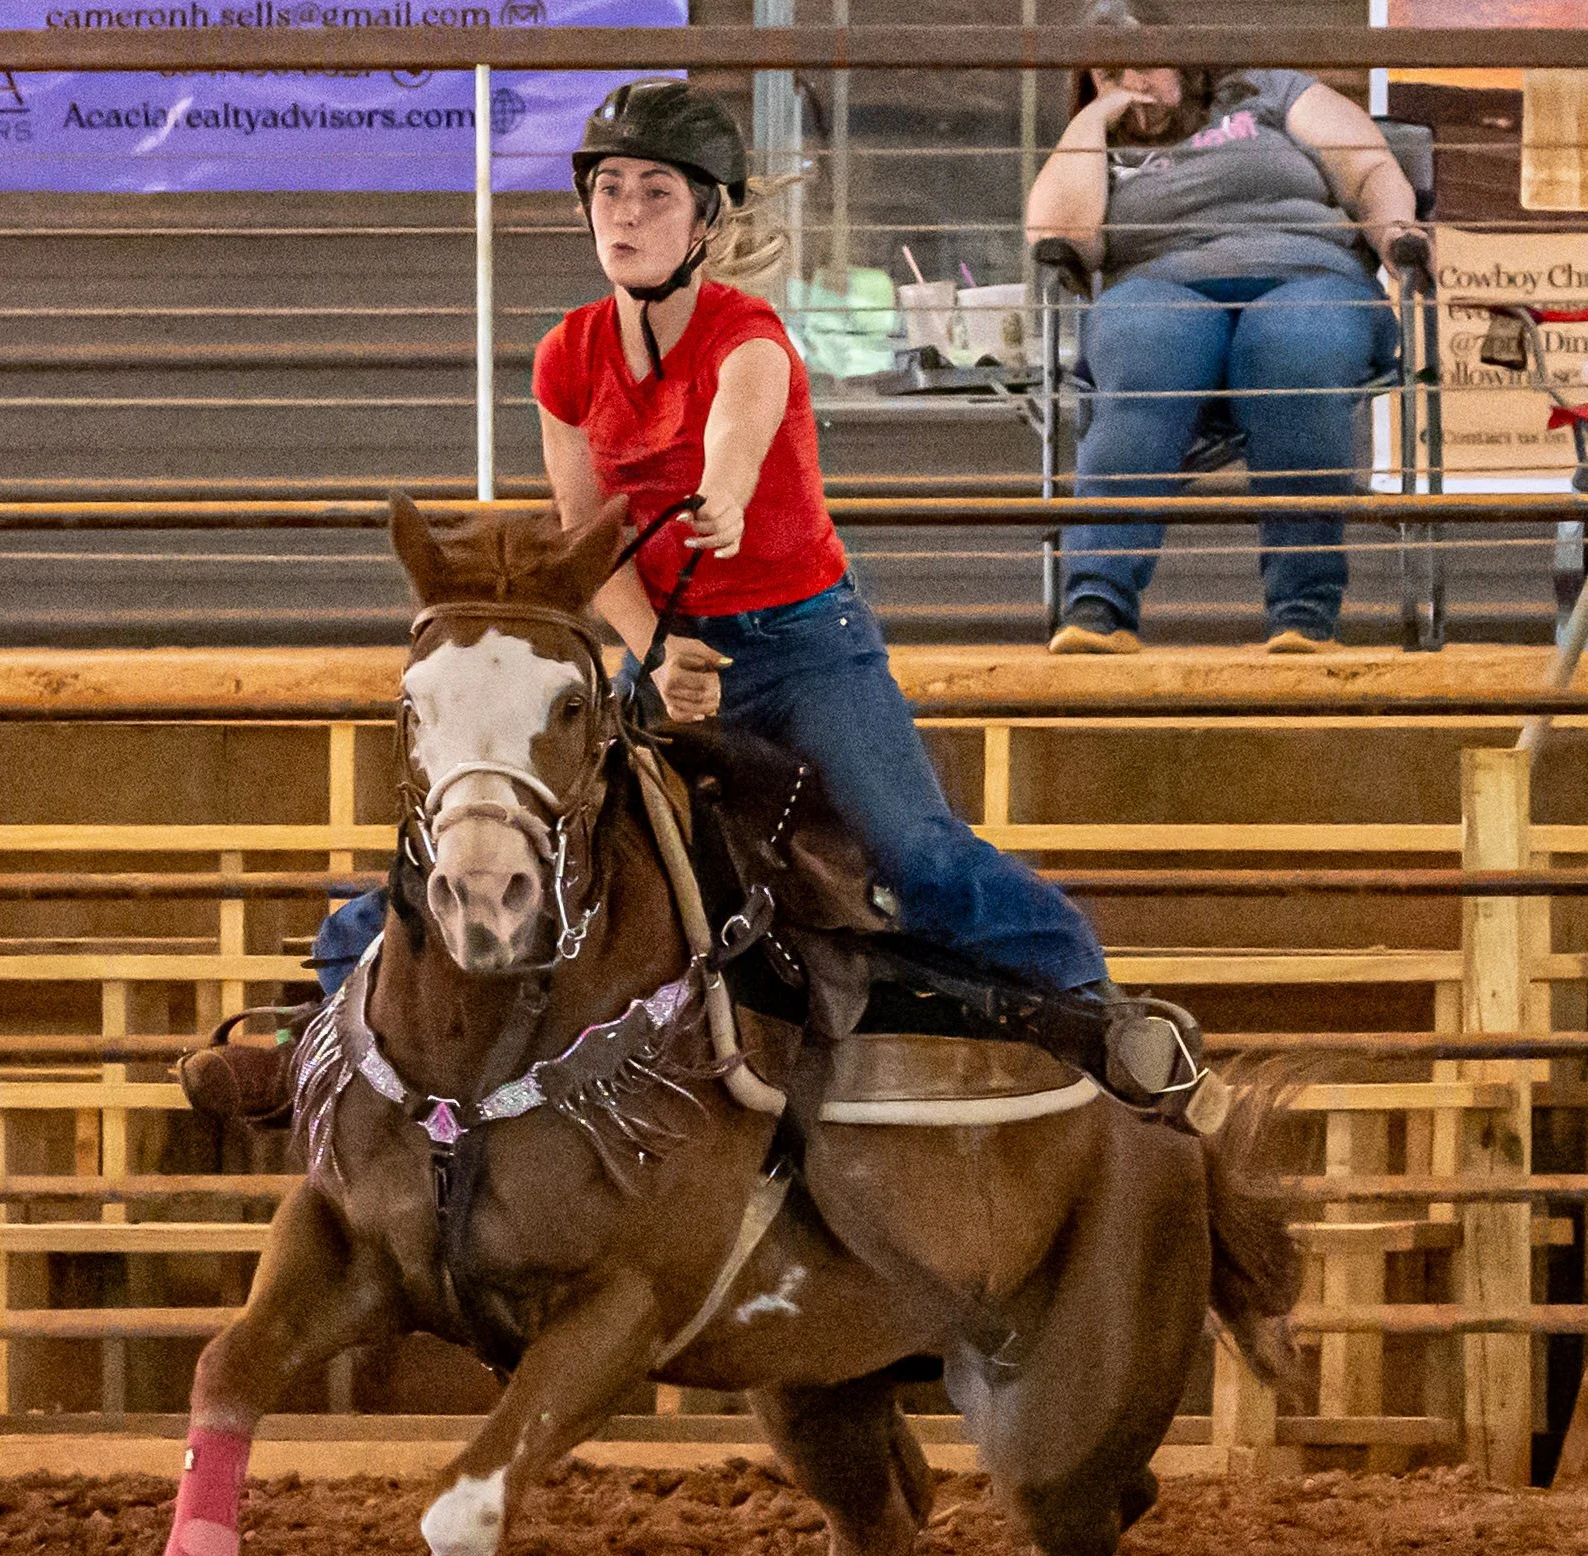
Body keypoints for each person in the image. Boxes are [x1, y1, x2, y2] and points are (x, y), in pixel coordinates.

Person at [182, 79, 1205, 1123]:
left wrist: (719, 494)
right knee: (524, 827)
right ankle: (303, 1019)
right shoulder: (566, 359)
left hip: (807, 645)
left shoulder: (749, 337)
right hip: (663, 648)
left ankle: (1094, 1005)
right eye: (608, 191)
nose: (623, 214)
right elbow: (587, 546)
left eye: (654, 192)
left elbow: (736, 432)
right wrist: (656, 656)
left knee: (915, 853)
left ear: (706, 218)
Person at [1027, 0, 1423, 656]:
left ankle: (1303, 614)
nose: (1130, 83)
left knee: (1293, 352)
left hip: (1307, 275)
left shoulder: (1268, 91)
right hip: (1160, 287)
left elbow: (1369, 170)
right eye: (1107, 72)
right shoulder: (1100, 141)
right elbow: (1062, 237)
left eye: (1145, 64)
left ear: (1188, 57)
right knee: (1143, 347)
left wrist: (1395, 235)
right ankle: (1097, 604)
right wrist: (1095, 115)